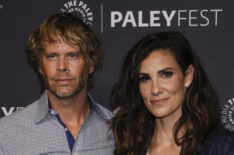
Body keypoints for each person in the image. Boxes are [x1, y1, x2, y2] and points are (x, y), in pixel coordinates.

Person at [0, 12, 114, 154]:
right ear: (40, 66)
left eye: (72, 55)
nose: (61, 66)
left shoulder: (118, 130)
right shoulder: (5, 133)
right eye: (52, 56)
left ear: (91, 64)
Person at [111, 31, 234, 155]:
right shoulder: (129, 146)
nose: (155, 90)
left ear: (188, 76)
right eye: (145, 78)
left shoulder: (222, 146)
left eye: (166, 74)